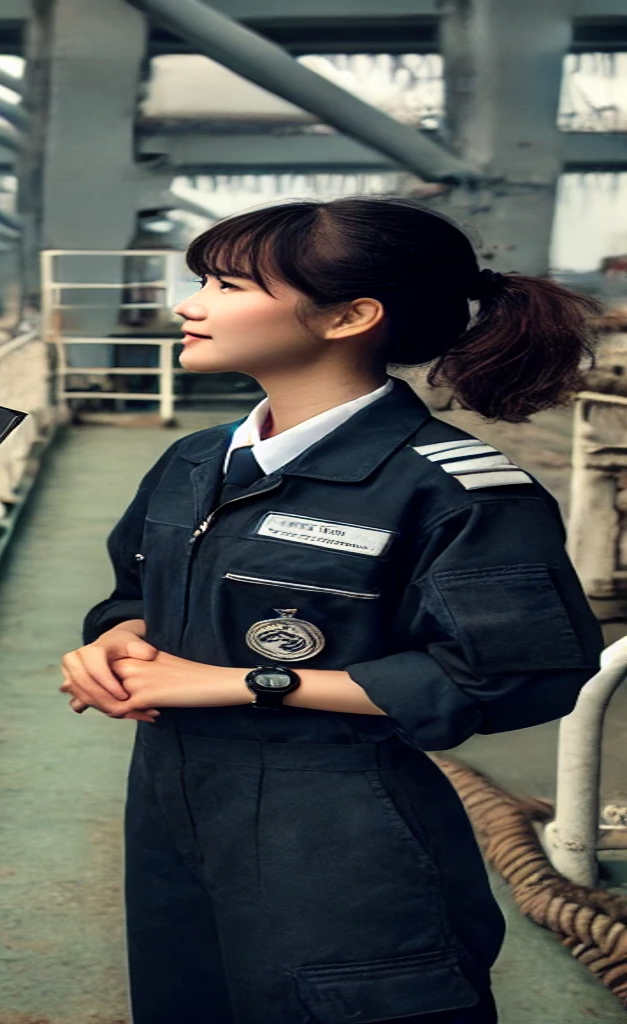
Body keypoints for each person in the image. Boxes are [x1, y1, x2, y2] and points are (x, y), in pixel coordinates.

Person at [60, 196, 605, 1024]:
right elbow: (132, 593)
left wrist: (248, 681)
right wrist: (116, 641)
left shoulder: (452, 490)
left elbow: (513, 677)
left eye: (228, 285)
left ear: (350, 315)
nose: (189, 303)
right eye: (201, 279)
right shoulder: (194, 460)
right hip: (173, 808)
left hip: (338, 827)